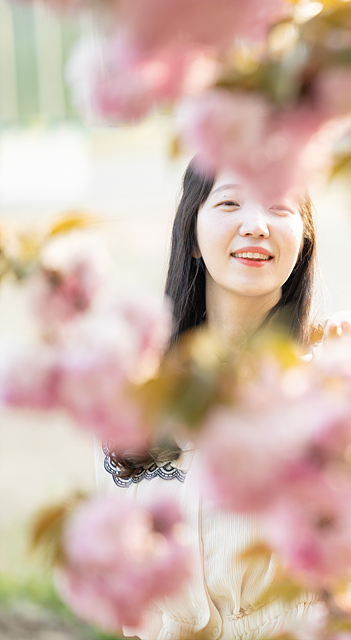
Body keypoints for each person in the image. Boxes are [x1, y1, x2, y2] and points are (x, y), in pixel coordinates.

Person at [97, 160, 325, 640]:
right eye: (230, 202)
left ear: (303, 239)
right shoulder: (139, 387)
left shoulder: (330, 389)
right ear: (194, 235)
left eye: (279, 207)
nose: (256, 225)